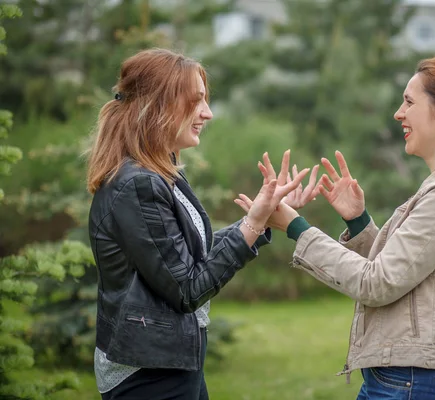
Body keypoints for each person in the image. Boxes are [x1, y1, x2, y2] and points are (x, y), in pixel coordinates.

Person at [236, 54, 435, 399]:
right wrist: (357, 222)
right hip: (406, 379)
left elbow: (378, 283)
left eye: (408, 102)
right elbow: (403, 273)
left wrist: (295, 226)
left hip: (412, 383)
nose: (398, 113)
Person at [86, 48, 309, 400]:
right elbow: (188, 287)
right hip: (148, 376)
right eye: (197, 100)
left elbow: (186, 258)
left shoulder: (158, 173)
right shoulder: (138, 184)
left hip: (167, 365)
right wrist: (251, 224)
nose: (208, 113)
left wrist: (261, 218)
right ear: (159, 106)